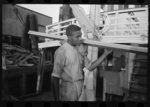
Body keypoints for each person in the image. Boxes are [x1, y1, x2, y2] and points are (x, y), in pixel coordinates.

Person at [51, 25, 84, 101]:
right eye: (77, 36)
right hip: (68, 88)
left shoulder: (77, 48)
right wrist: (56, 99)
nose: (80, 39)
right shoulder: (61, 51)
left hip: (79, 85)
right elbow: (55, 77)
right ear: (69, 37)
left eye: (81, 36)